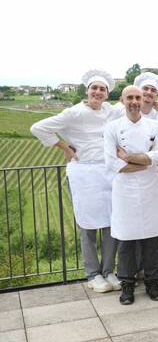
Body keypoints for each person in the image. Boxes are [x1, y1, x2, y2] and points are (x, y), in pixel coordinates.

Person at [31, 69, 122, 293]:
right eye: (95, 88)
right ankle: (93, 274)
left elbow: (135, 103)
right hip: (83, 173)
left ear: (107, 93)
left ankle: (108, 270)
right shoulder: (74, 113)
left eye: (102, 89)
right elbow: (37, 128)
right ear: (87, 90)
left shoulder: (111, 111)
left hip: (108, 173)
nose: (98, 92)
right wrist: (65, 147)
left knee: (112, 224)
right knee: (87, 226)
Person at [103, 86, 158, 305]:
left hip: (150, 188)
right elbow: (112, 162)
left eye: (137, 97)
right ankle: (127, 285)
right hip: (124, 190)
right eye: (129, 97)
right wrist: (145, 162)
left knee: (151, 238)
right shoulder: (112, 128)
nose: (134, 101)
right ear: (122, 100)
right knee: (126, 240)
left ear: (143, 100)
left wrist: (130, 157)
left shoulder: (154, 125)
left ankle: (152, 281)